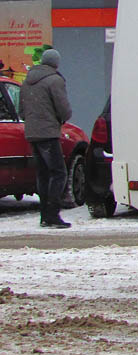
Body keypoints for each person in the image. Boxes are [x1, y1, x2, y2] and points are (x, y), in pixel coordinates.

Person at [18, 48, 73, 228]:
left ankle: (44, 215)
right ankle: (53, 215)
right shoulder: (54, 80)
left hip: (32, 132)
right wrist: (62, 118)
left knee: (42, 174)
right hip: (48, 132)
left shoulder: (27, 81)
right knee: (58, 173)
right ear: (55, 63)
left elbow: (22, 111)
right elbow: (63, 108)